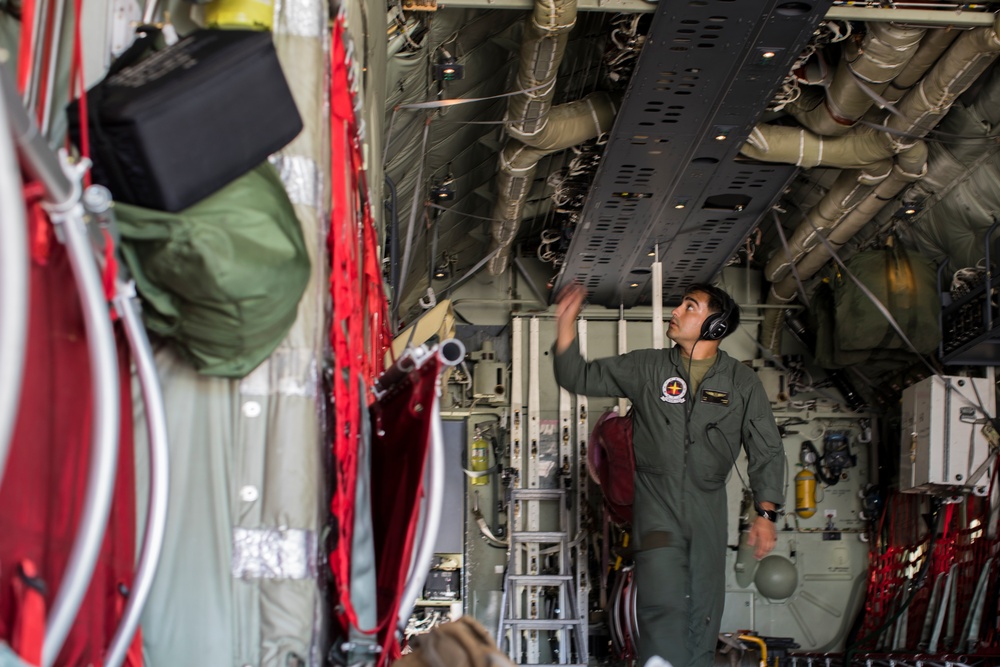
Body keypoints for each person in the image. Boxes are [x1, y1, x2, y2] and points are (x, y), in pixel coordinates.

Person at [553, 283, 785, 667]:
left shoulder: (741, 384)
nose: (676, 311)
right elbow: (578, 376)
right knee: (662, 598)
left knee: (704, 605)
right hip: (656, 503)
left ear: (715, 326)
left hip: (708, 508)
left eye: (690, 307)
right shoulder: (648, 367)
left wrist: (765, 514)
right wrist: (565, 324)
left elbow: (767, 449)